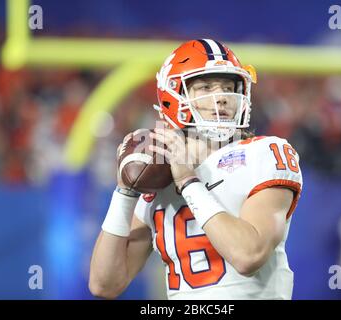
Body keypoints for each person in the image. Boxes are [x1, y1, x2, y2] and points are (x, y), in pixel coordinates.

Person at [89, 39, 303, 300]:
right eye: (205, 87)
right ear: (173, 95)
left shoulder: (264, 153)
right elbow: (104, 285)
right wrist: (124, 191)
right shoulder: (158, 176)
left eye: (228, 87)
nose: (222, 97)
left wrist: (188, 181)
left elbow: (248, 255)